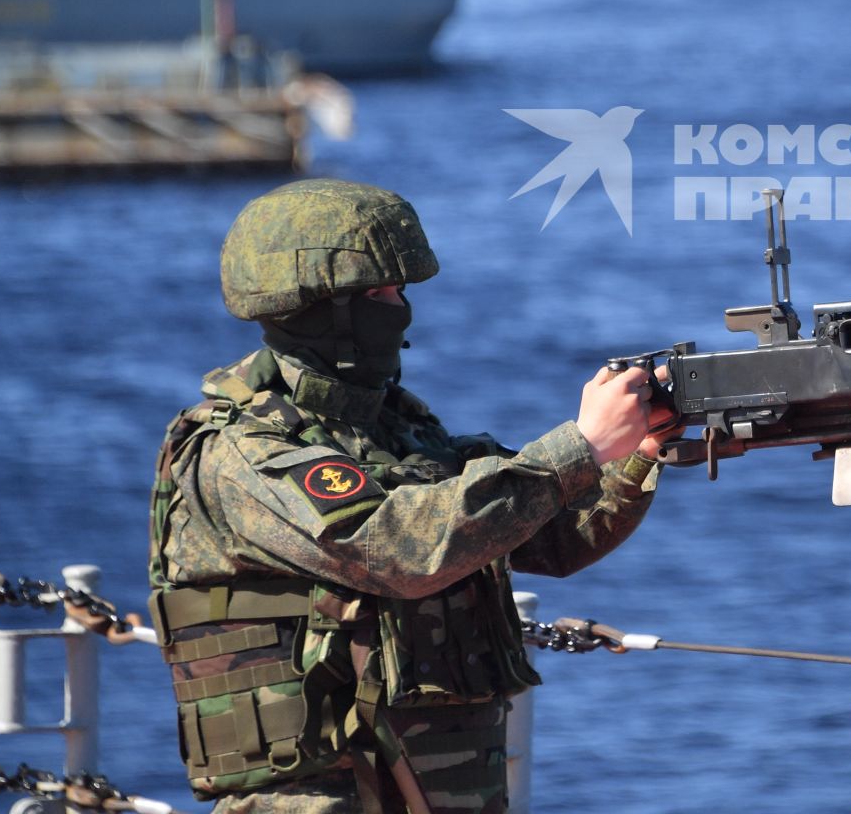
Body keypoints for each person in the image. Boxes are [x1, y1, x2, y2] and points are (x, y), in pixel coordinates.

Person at [149, 178, 671, 812]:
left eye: (398, 290)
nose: (399, 309)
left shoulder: (395, 427)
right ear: (316, 308)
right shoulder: (241, 450)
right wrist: (580, 446)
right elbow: (397, 549)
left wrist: (638, 454)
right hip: (317, 794)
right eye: (378, 293)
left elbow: (554, 540)